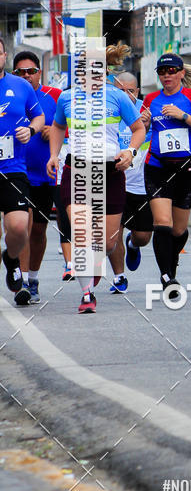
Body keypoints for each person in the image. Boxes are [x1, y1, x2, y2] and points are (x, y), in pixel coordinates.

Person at [47, 45, 146, 314]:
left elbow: (138, 128)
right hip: (77, 169)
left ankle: (93, 265)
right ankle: (87, 293)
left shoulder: (117, 97)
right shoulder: (67, 98)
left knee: (108, 243)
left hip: (110, 171)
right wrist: (54, 155)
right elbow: (57, 126)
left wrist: (130, 151)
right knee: (82, 232)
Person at [141, 53, 191, 293]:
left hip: (186, 169)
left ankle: (171, 265)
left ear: (182, 73)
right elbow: (139, 131)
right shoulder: (150, 99)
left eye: (172, 71)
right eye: (162, 72)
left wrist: (183, 116)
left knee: (179, 230)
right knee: (162, 223)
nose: (167, 75)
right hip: (157, 167)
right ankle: (166, 277)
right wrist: (142, 122)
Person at [12, 51, 62, 305]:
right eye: (20, 72)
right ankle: (21, 283)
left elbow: (69, 125)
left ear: (39, 72)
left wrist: (53, 130)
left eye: (30, 71)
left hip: (46, 175)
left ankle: (33, 277)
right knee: (24, 226)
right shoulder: (10, 94)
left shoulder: (54, 95)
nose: (26, 75)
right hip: (18, 172)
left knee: (39, 231)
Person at [0, 38, 45, 300]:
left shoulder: (20, 86)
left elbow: (38, 116)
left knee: (19, 226)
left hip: (13, 168)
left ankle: (11, 257)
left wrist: (30, 129)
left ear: (5, 55)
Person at [106, 72, 153, 293]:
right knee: (112, 235)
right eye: (121, 91)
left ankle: (133, 245)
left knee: (143, 236)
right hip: (115, 181)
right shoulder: (109, 108)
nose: (126, 95)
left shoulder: (146, 111)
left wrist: (150, 124)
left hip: (141, 186)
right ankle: (119, 276)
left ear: (138, 91)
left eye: (131, 91)